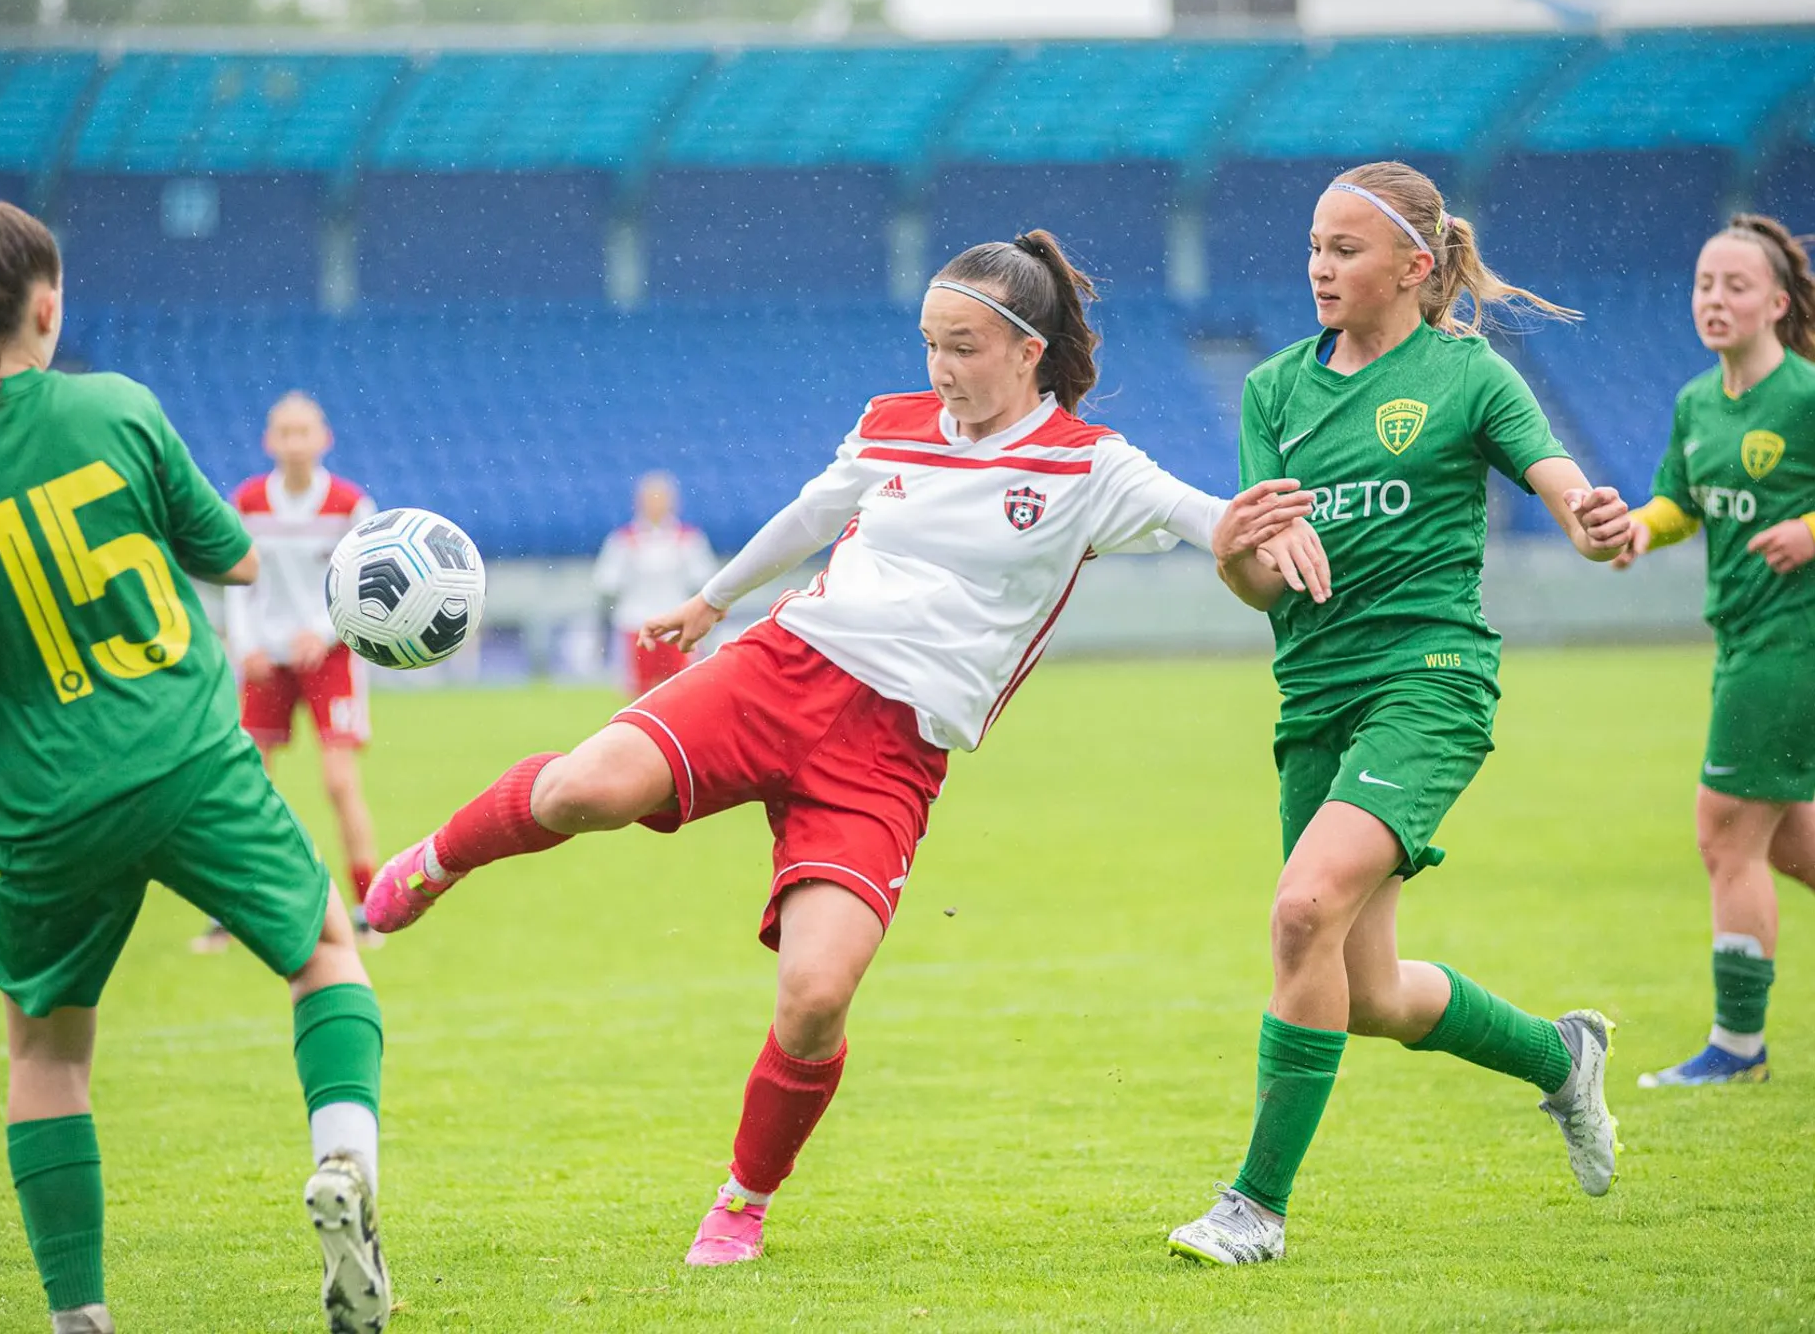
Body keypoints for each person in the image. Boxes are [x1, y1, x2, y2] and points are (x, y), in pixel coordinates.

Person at [361, 229, 1328, 1267]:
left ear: (1027, 350)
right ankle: (437, 859)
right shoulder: (891, 423)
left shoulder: (1091, 465)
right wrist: (712, 599)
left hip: (890, 754)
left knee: (817, 995)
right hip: (784, 670)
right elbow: (811, 515)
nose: (941, 368)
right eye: (930, 344)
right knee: (583, 790)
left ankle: (743, 1201)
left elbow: (1204, 516)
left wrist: (1257, 527)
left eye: (963, 347)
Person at [0, 174, 392, 1334]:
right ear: (46, 306)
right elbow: (230, 559)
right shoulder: (115, 408)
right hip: (184, 759)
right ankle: (344, 1170)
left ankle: (79, 1315)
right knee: (326, 951)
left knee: (46, 1056)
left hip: (39, 807)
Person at [1167, 162, 1633, 1268]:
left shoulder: (1469, 376)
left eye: (1346, 249)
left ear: (1416, 267)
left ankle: (1254, 1209)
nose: (1320, 268)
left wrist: (1591, 519)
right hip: (1314, 699)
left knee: (1302, 911)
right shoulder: (1274, 391)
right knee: (1365, 993)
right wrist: (1239, 555)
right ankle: (1561, 1058)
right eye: (1314, 247)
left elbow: (1560, 482)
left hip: (1429, 680)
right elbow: (1259, 582)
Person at [1613, 214, 1815, 1087]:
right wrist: (1638, 528)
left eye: (1736, 286)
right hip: (1740, 638)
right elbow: (1680, 503)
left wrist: (1809, 531)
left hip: (1793, 640)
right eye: (1704, 284)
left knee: (1725, 828)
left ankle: (1737, 1049)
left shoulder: (1805, 396)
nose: (1715, 299)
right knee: (1787, 840)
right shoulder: (1697, 402)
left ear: (1778, 303)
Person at [195, 392, 381, 951]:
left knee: (339, 783)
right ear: (269, 441)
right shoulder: (248, 502)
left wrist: (322, 632)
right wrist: (245, 646)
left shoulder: (350, 505)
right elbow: (237, 579)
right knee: (249, 785)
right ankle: (233, 911)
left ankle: (369, 908)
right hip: (264, 660)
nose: (296, 442)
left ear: (324, 438)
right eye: (285, 431)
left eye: (305, 431)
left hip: (330, 656)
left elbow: (363, 584)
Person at [591, 470, 718, 694]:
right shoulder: (622, 540)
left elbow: (704, 581)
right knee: (638, 691)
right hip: (635, 623)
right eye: (651, 498)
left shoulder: (689, 538)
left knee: (680, 690)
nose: (656, 504)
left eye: (661, 498)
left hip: (677, 624)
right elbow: (607, 583)